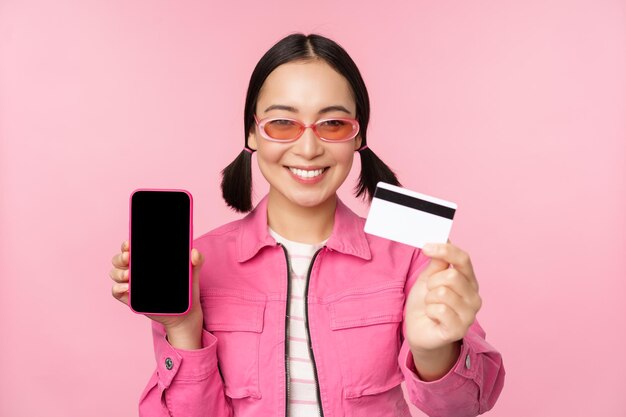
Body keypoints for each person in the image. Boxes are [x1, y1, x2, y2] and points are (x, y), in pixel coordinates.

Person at [110, 33, 505, 417]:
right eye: (283, 123)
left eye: (332, 124)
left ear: (358, 135)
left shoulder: (411, 254)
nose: (309, 147)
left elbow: (465, 408)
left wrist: (435, 351)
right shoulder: (197, 262)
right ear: (252, 132)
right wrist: (183, 329)